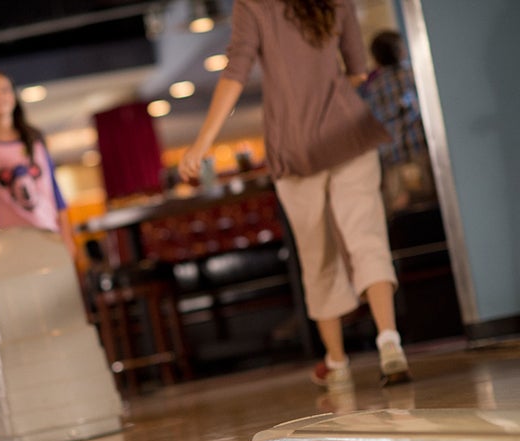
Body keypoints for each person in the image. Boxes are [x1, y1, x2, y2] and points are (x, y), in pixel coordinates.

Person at [178, 0, 411, 391]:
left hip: (294, 146)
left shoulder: (253, 5)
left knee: (317, 254)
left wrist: (202, 144)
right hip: (350, 133)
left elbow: (236, 72)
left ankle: (337, 362)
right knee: (367, 239)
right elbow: (357, 72)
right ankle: (390, 342)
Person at [0, 69, 75, 257]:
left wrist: (68, 237)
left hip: (50, 233)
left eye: (4, 90)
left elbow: (55, 192)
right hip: (13, 242)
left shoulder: (35, 138)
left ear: (14, 96)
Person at [361, 29, 436, 215]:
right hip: (422, 152)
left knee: (402, 215)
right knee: (434, 207)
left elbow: (371, 125)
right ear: (400, 50)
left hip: (393, 159)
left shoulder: (373, 88)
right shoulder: (415, 76)